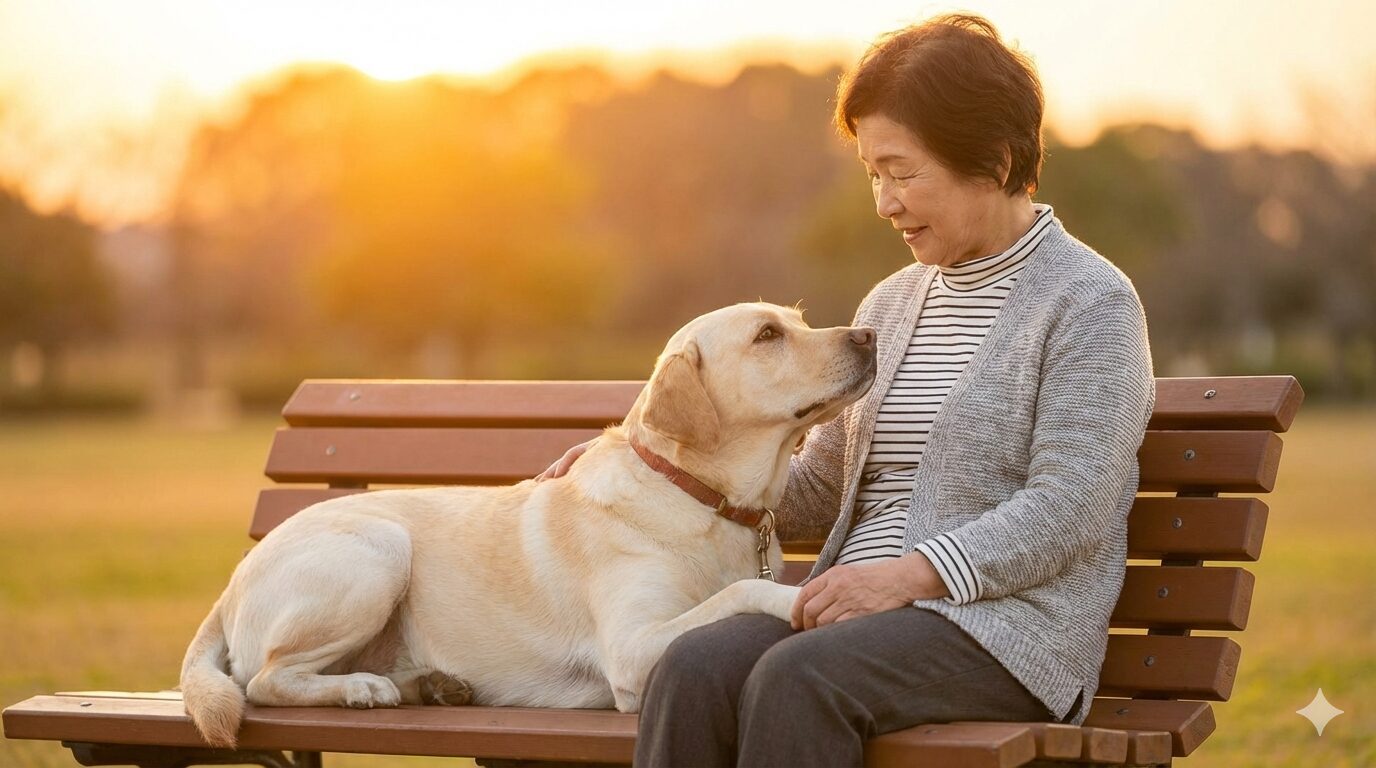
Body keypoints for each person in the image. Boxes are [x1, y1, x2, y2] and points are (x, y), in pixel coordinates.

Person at [540, 13, 1155, 767]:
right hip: (852, 610)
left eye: (902, 172)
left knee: (800, 679)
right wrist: (645, 476)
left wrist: (909, 577)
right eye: (873, 174)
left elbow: (1073, 503)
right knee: (693, 664)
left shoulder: (1089, 302)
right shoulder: (891, 305)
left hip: (1003, 629)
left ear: (994, 160)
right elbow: (823, 486)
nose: (884, 202)